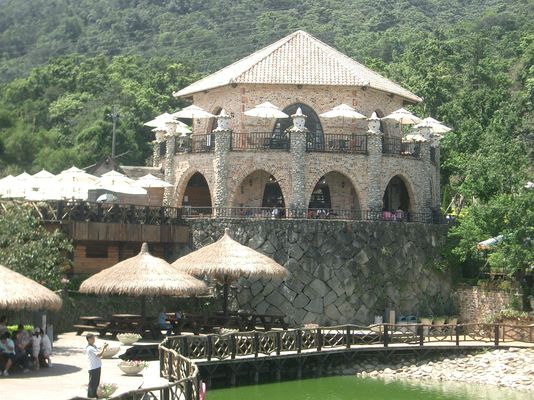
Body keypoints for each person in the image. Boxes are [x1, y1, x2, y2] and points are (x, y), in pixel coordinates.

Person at [85, 333, 108, 399]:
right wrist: (103, 348)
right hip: (93, 368)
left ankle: (94, 395)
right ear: (89, 339)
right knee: (92, 384)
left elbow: (99, 351)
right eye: (93, 338)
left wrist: (103, 347)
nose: (94, 339)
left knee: (96, 383)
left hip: (97, 367)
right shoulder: (89, 348)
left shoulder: (93, 346)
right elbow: (98, 354)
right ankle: (90, 397)